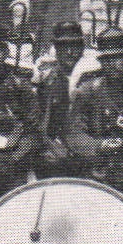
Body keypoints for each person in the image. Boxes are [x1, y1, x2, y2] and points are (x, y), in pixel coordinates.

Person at [64, 28, 123, 195]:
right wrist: (99, 145)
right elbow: (73, 134)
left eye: (118, 58)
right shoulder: (88, 90)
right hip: (100, 174)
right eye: (106, 59)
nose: (112, 64)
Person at [0, 25, 43, 199]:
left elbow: (35, 132)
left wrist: (12, 158)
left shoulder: (20, 87)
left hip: (14, 166)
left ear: (5, 53)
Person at [34, 21, 85, 178]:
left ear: (82, 48)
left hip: (87, 158)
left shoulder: (92, 79)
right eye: (63, 47)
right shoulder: (46, 82)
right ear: (55, 49)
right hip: (55, 160)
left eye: (75, 46)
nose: (69, 52)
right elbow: (39, 126)